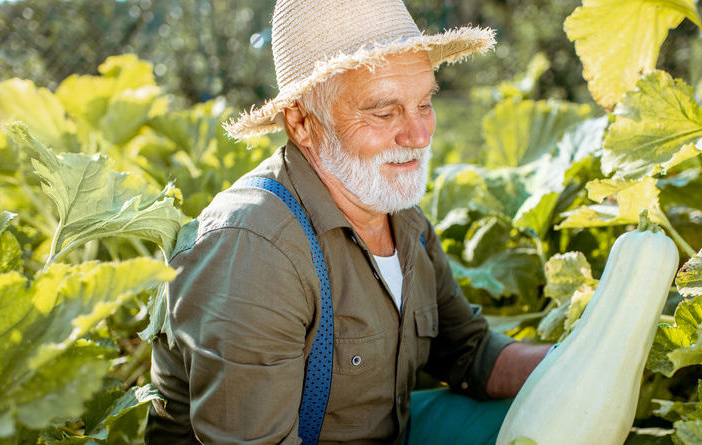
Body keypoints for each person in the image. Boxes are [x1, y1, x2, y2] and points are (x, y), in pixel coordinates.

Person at [147, 0, 550, 443]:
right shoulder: (256, 250)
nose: (418, 135)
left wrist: (582, 355)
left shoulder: (400, 217)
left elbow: (468, 351)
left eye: (424, 103)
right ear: (301, 122)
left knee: (559, 417)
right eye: (384, 111)